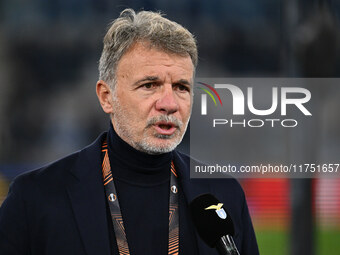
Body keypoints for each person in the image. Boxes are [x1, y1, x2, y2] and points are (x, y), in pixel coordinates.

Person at [0, 9, 259, 255]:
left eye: (181, 87)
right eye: (150, 85)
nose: (169, 103)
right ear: (106, 97)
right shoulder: (35, 198)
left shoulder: (224, 195)